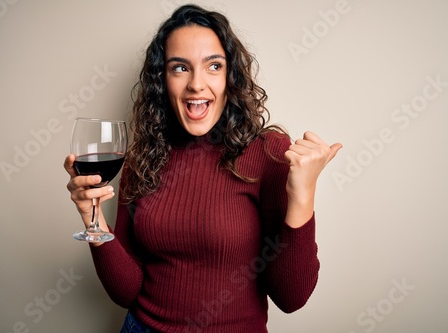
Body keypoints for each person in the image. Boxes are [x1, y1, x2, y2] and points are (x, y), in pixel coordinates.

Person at [64, 4, 342, 333]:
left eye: (213, 66)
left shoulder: (269, 152)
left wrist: (303, 195)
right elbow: (126, 292)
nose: (196, 84)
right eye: (180, 68)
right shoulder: (144, 156)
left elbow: (291, 298)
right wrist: (92, 217)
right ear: (162, 80)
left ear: (230, 77)